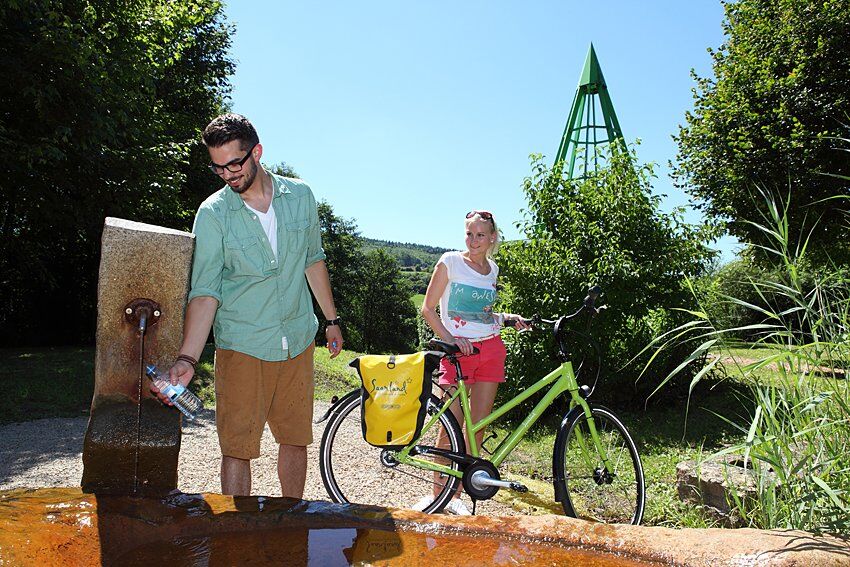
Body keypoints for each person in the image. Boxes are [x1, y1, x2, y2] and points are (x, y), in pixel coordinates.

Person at [152, 113, 343, 498]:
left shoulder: (301, 197)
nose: (227, 174)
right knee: (237, 447)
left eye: (234, 164)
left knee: (295, 439)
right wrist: (188, 359)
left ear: (256, 152)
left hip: (298, 339)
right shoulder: (213, 214)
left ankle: (291, 518)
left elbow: (313, 260)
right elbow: (205, 291)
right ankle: (236, 528)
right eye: (218, 167)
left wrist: (331, 319)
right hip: (242, 345)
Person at [418, 210, 529, 514]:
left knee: (477, 427)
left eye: (480, 235)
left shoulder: (492, 270)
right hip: (458, 355)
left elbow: (482, 315)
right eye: (469, 233)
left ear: (492, 238)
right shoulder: (450, 262)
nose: (473, 240)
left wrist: (506, 318)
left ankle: (455, 496)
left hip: (491, 351)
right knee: (449, 426)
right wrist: (451, 340)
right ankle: (438, 493)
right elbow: (428, 309)